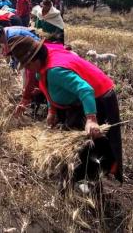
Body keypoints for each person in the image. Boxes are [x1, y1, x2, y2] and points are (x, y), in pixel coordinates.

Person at [8, 36, 123, 184]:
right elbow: (48, 88)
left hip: (98, 97)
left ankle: (90, 181)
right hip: (78, 101)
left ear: (34, 60)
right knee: (77, 143)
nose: (27, 70)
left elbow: (85, 90)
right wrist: (52, 111)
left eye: (27, 66)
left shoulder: (55, 71)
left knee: (91, 145)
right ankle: (79, 179)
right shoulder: (43, 66)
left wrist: (91, 119)